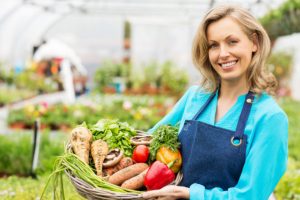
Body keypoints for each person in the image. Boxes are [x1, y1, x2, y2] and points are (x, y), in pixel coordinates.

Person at [143, 5, 288, 200]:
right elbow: (149, 143)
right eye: (214, 45)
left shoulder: (270, 117)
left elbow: (251, 195)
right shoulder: (195, 97)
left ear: (254, 43)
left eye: (232, 42)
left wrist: (191, 195)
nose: (223, 54)